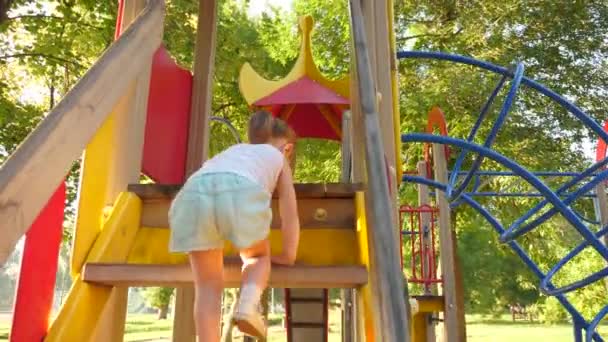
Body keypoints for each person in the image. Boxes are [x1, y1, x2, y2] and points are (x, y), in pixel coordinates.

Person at [168, 110, 300, 341]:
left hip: (191, 196)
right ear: (287, 148)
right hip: (241, 190)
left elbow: (215, 179)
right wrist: (288, 254)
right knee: (257, 258)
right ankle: (248, 304)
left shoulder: (234, 151)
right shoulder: (278, 157)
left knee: (207, 286)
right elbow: (289, 212)